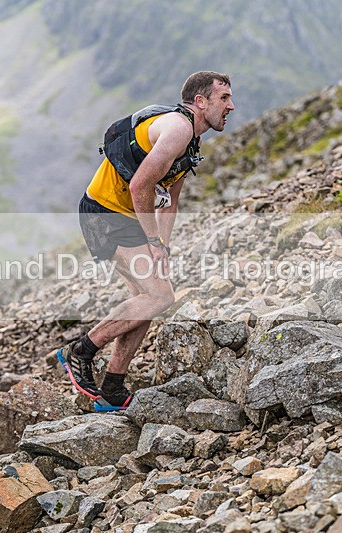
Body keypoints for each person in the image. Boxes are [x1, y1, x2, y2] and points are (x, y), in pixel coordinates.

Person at [57, 71, 235, 412]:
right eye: (223, 98)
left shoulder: (192, 140)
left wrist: (162, 248)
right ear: (201, 102)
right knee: (159, 296)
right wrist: (152, 239)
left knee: (146, 299)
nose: (232, 106)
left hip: (129, 216)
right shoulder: (178, 130)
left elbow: (172, 198)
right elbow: (140, 187)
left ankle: (111, 388)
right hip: (105, 213)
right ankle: (80, 350)